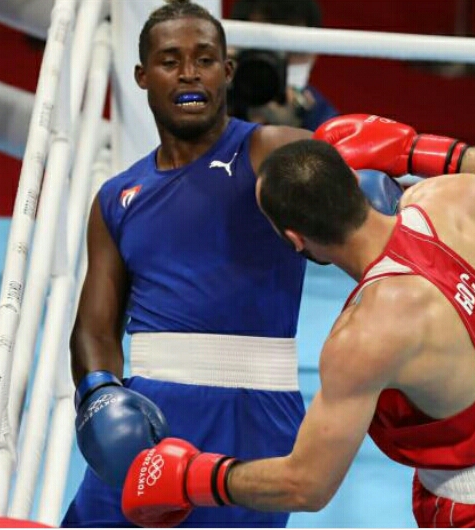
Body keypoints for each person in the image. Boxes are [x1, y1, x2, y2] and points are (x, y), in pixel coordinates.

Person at [120, 114, 475, 527]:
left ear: (295, 240)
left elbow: (306, 485)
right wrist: (416, 149)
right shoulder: (447, 197)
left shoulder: (363, 337)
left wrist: (194, 477)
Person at [61, 0, 315, 527]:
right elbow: (94, 327)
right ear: (142, 76)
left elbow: (356, 200)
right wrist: (101, 394)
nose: (188, 73)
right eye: (170, 60)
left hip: (253, 414)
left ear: (227, 71)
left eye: (203, 59)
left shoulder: (269, 152)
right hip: (147, 417)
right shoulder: (117, 197)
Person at [229, 0, 338, 130]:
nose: (279, 61)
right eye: (265, 48)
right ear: (234, 45)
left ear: (314, 54)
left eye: (295, 49)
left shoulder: (327, 123)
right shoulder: (212, 101)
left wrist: (295, 130)